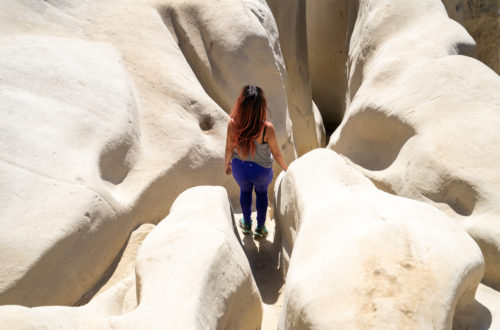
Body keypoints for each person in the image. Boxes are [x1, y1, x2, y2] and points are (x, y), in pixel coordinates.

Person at [225, 85, 288, 238]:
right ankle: (260, 227)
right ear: (261, 106)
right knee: (261, 194)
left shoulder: (233, 124)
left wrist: (227, 163)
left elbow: (228, 148)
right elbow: (276, 153)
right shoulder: (267, 129)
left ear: (241, 104)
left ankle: (246, 224)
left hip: (240, 168)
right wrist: (287, 168)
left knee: (244, 192)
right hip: (262, 171)